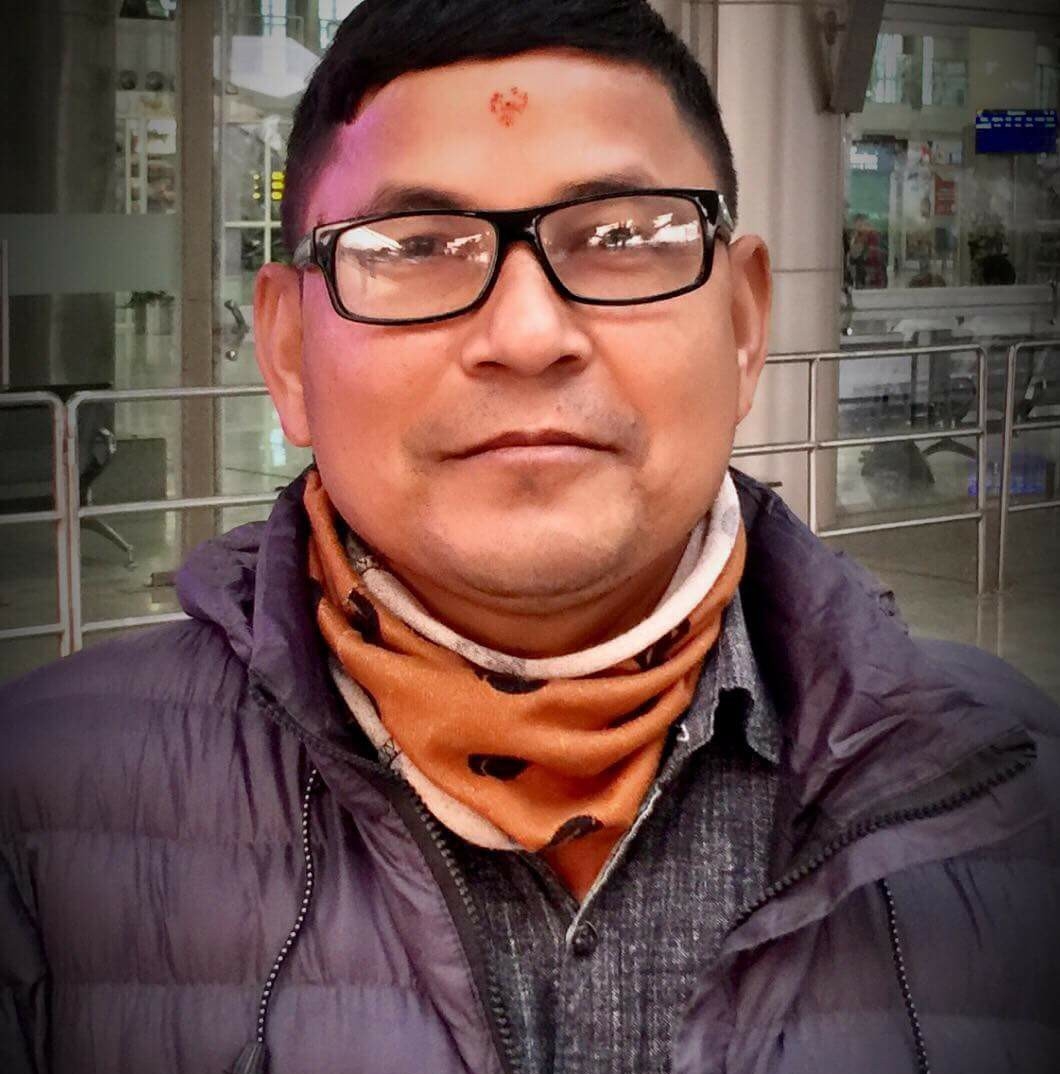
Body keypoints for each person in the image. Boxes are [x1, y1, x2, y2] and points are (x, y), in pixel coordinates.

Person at [2, 2, 1059, 1072]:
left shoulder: (1012, 789)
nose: (526, 333)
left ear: (744, 327)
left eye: (621, 237)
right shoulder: (33, 815)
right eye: (415, 248)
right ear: (286, 354)